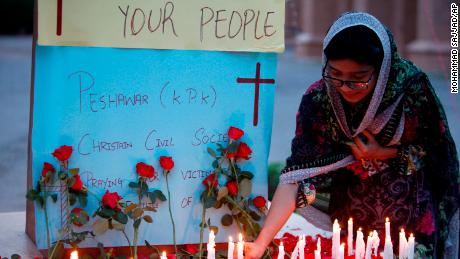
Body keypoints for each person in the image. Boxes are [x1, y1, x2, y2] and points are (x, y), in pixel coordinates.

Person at [245, 12, 459, 259]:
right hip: (352, 214)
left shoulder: (411, 91)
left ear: (383, 68)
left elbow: (436, 151)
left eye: (358, 79)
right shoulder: (319, 100)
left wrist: (383, 153)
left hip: (411, 215)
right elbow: (295, 176)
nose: (345, 87)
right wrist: (261, 244)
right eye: (335, 74)